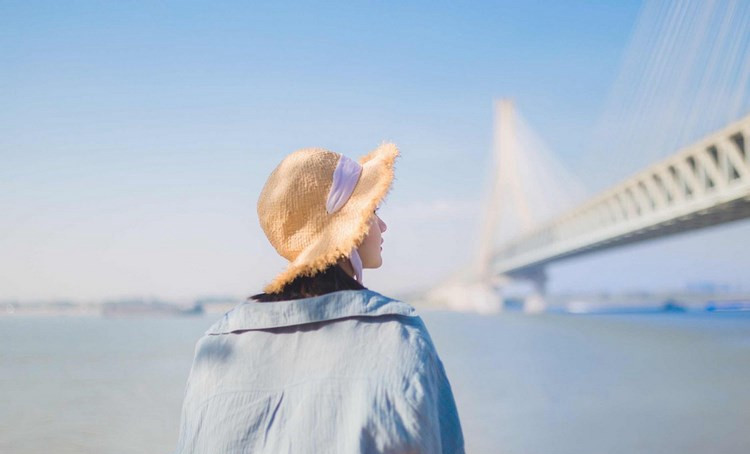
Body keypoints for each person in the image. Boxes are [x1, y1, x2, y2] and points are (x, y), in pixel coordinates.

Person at [174, 143, 465, 453]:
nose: (383, 225)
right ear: (348, 226)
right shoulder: (397, 332)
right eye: (373, 210)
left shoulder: (218, 341)